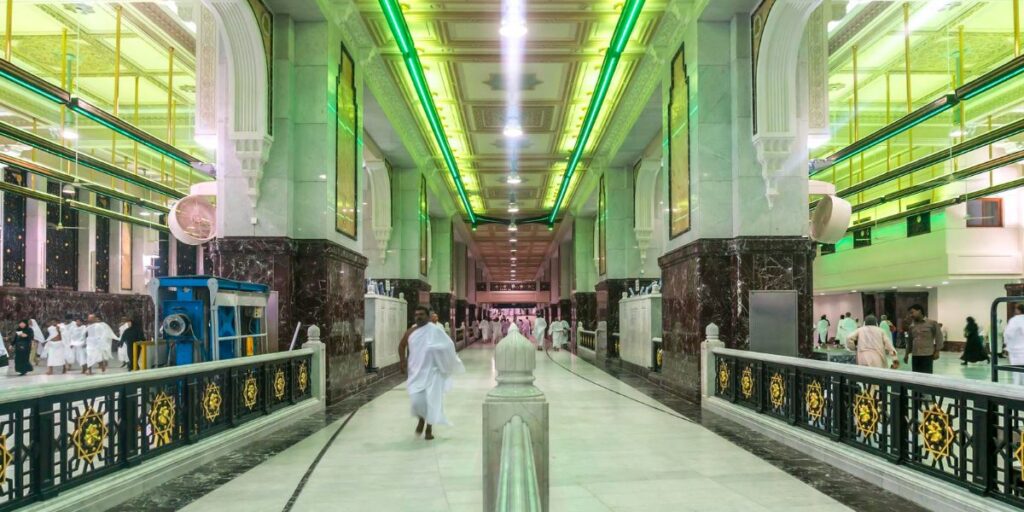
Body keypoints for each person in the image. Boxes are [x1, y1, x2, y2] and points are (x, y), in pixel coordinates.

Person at [397, 306, 465, 441]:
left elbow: (448, 345)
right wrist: (402, 361)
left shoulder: (435, 331)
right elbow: (401, 345)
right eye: (416, 314)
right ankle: (421, 419)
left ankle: (429, 428)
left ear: (428, 316)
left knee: (432, 401)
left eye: (421, 314)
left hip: (433, 372)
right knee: (417, 401)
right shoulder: (411, 332)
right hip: (416, 372)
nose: (418, 317)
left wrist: (437, 350)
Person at [903, 304, 943, 374]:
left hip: (927, 355)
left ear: (919, 311)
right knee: (915, 376)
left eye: (912, 312)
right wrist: (906, 354)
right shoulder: (911, 326)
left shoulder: (932, 323)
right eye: (910, 313)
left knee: (927, 376)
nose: (911, 315)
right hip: (915, 355)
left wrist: (937, 351)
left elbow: (939, 337)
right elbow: (910, 341)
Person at [1004, 304, 1024, 385]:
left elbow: (1008, 334)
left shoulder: (1014, 320)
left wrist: (1006, 344)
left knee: (1016, 373)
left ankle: (1017, 391)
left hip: (1016, 351)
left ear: (1018, 310)